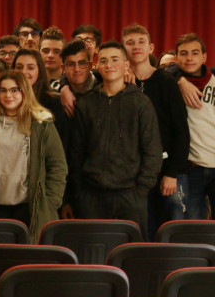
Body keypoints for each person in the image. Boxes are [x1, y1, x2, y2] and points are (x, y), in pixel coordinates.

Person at [68, 41, 162, 231]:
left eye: (114, 60)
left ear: (126, 65)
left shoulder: (141, 103)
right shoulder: (87, 103)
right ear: (97, 66)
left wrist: (141, 191)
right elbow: (76, 152)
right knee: (93, 255)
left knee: (129, 256)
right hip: (91, 198)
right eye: (103, 61)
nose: (109, 65)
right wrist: (79, 192)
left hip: (130, 197)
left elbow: (152, 151)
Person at [0, 71, 67, 243]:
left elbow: (58, 166)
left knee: (28, 261)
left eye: (14, 90)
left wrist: (50, 203)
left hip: (30, 207)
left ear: (24, 91)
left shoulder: (41, 123)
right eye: (3, 90)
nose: (8, 95)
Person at [122, 24, 190, 239]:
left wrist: (172, 173)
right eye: (130, 43)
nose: (136, 47)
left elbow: (181, 130)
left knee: (168, 231)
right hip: (131, 171)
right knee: (138, 229)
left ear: (151, 47)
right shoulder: (117, 82)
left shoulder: (167, 82)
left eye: (141, 42)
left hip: (164, 170)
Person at [171, 34, 215, 222]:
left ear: (204, 57)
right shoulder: (170, 82)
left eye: (195, 53)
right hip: (191, 168)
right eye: (184, 53)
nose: (189, 58)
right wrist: (180, 80)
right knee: (193, 227)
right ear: (176, 58)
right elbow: (160, 70)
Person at [56, 40, 102, 219]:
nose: (77, 69)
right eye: (71, 64)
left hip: (99, 187)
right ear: (63, 68)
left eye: (82, 63)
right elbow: (60, 156)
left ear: (90, 65)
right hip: (69, 184)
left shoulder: (105, 92)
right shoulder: (57, 102)